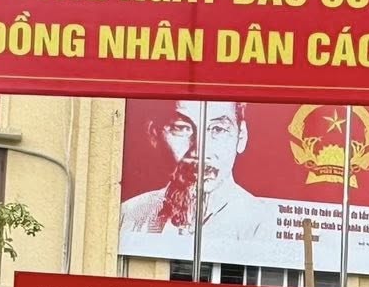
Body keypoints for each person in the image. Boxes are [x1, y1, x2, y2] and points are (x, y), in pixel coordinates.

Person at [118, 99, 275, 256]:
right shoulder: (129, 214)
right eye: (181, 128)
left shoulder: (264, 224)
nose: (200, 151)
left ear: (241, 137)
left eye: (218, 129)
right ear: (153, 134)